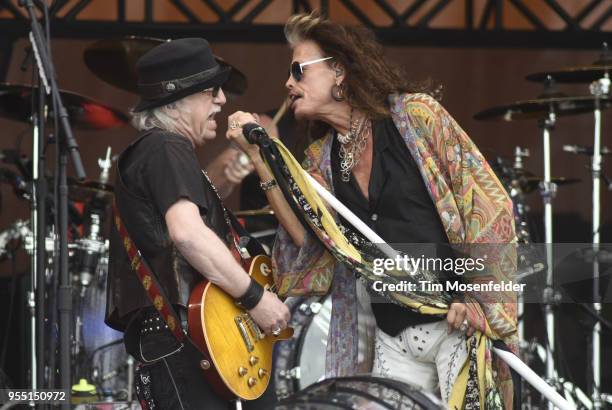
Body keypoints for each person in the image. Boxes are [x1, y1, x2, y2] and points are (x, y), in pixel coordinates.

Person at [227, 12, 518, 409]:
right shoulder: (321, 160)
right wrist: (260, 158)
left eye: (298, 70)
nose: (288, 83)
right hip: (392, 337)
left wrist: (478, 298)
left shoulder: (416, 118)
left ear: (339, 72)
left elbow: (487, 204)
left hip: (456, 323)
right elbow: (307, 241)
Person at [105, 38, 290, 410]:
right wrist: (255, 298)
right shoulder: (165, 147)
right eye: (211, 91)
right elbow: (188, 235)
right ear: (177, 101)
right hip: (184, 343)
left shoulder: (160, 152)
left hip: (186, 341)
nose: (222, 99)